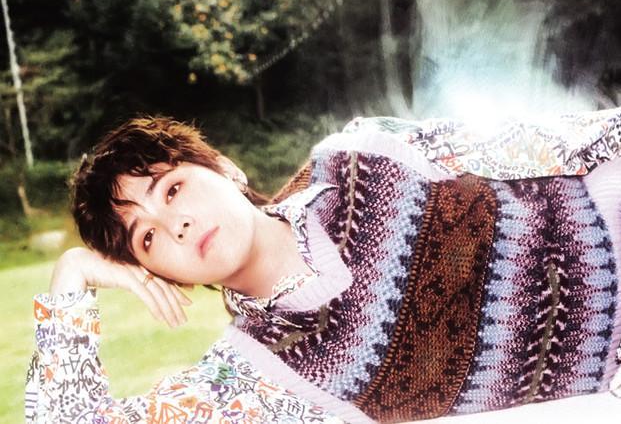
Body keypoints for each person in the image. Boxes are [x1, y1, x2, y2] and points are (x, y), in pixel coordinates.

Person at [25, 110, 621, 423]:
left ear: (225, 168)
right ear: (159, 273)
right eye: (147, 237)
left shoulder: (358, 154)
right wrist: (72, 276)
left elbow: (546, 142)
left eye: (173, 189)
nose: (174, 223)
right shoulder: (260, 377)